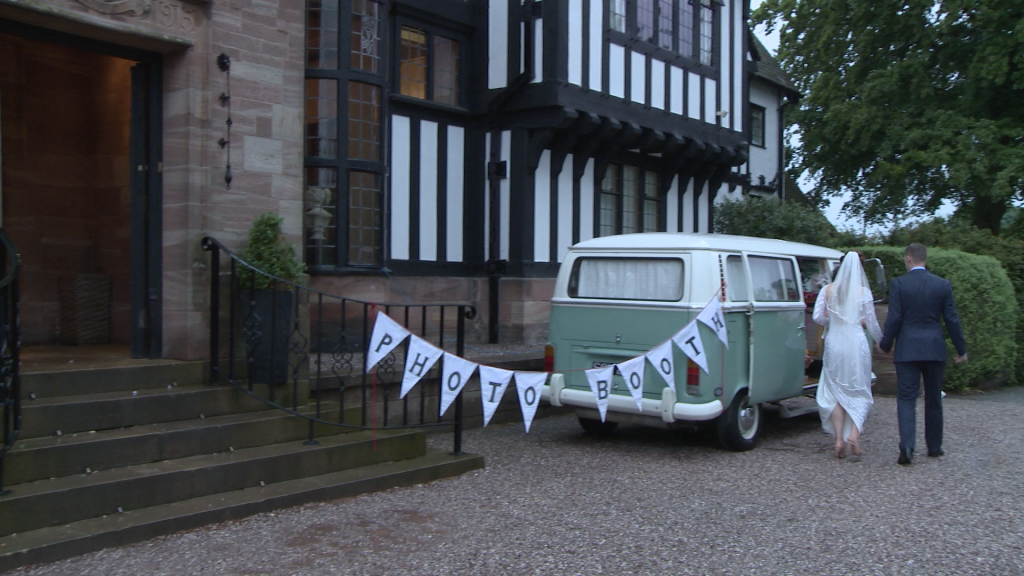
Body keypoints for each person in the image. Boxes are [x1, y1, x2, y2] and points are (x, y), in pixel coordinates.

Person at [879, 243, 967, 465]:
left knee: (907, 398)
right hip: (934, 348)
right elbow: (952, 319)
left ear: (908, 258)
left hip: (908, 348)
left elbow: (895, 318)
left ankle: (907, 447)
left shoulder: (899, 283)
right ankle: (934, 447)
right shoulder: (942, 285)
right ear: (924, 259)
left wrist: (886, 344)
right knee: (933, 397)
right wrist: (961, 349)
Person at [812, 251, 882, 459]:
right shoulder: (864, 293)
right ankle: (853, 435)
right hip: (855, 344)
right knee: (860, 389)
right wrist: (882, 341)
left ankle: (838, 440)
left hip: (835, 344)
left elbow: (817, 317)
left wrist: (833, 322)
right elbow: (871, 323)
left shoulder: (827, 290)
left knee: (835, 391)